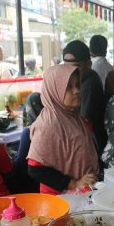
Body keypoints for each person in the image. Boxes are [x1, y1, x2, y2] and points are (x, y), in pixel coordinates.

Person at [27, 64, 99, 195]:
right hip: (60, 199)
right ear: (54, 90)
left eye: (77, 85)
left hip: (82, 193)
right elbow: (35, 169)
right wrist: (73, 183)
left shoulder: (74, 117)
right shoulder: (48, 124)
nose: (76, 91)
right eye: (69, 87)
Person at [63, 40, 107, 155]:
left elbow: (84, 122)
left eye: (76, 67)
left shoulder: (90, 83)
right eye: (66, 68)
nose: (71, 73)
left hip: (90, 145)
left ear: (89, 65)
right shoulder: (79, 82)